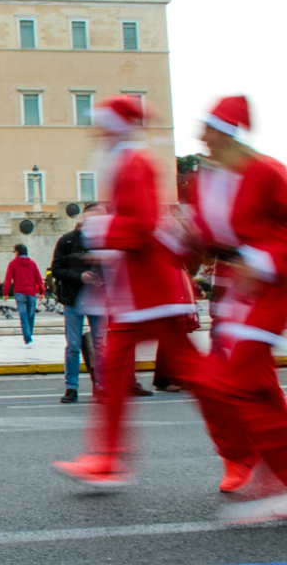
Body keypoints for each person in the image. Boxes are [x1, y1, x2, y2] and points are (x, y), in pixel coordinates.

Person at [53, 95, 241, 489]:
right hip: (134, 293)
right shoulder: (123, 158)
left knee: (198, 378)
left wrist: (99, 230)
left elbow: (139, 225)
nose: (97, 128)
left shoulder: (132, 161)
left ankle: (240, 449)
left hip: (150, 292)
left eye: (103, 121)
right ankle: (107, 458)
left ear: (117, 124)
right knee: (117, 374)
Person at [176, 96, 287, 521]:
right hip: (232, 289)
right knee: (247, 386)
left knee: (234, 380)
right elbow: (202, 233)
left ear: (229, 133)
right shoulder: (205, 179)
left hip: (269, 289)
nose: (200, 136)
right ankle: (250, 461)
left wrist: (262, 262)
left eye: (209, 128)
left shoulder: (267, 172)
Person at [51, 203, 107, 403]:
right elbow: (56, 269)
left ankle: (100, 385)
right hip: (73, 299)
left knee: (100, 345)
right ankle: (71, 387)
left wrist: (103, 278)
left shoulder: (104, 241)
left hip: (98, 299)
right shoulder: (67, 240)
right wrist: (80, 276)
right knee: (73, 345)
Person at [3, 244, 45, 345]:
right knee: (31, 315)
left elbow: (8, 279)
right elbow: (38, 278)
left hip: (20, 293)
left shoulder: (13, 263)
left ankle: (27, 338)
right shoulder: (33, 263)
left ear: (17, 252)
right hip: (31, 293)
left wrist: (5, 292)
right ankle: (29, 335)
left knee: (23, 316)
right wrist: (42, 291)